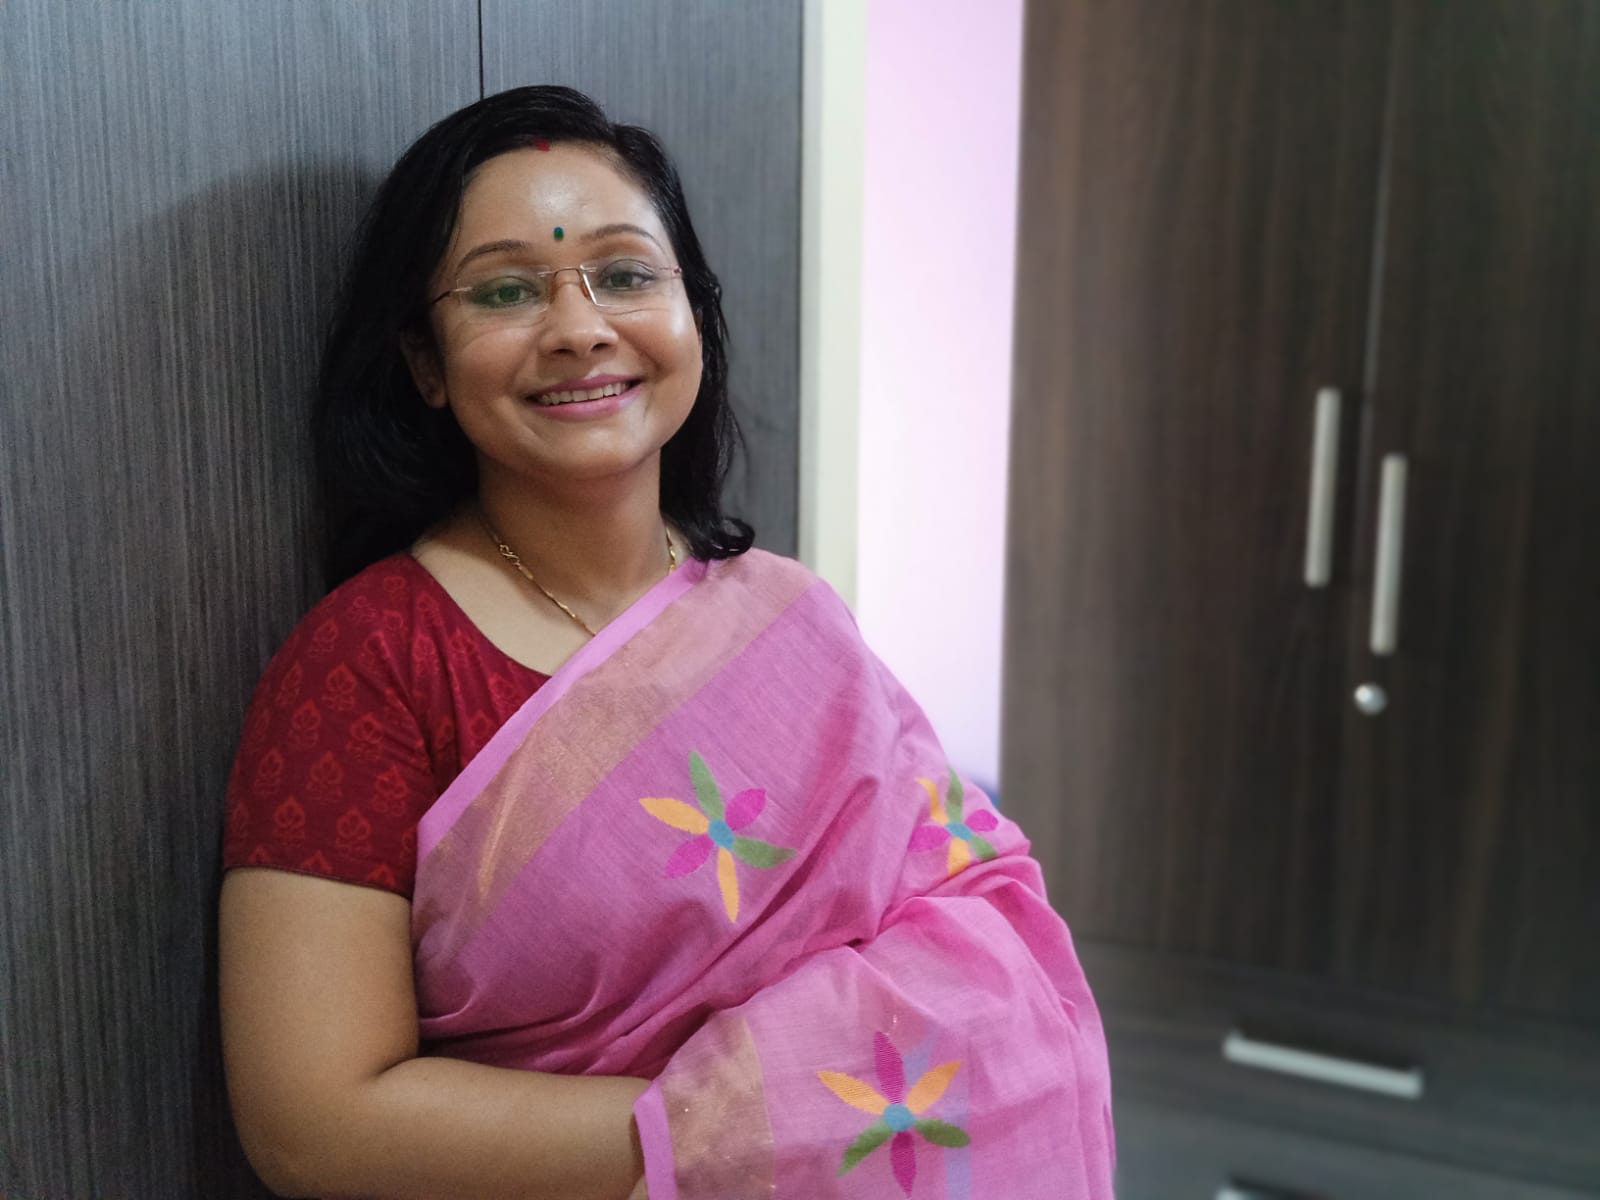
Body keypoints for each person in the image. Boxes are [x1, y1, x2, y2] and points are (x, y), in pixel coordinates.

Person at [219, 85, 1113, 1200]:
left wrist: (784, 1121)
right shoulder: (374, 664)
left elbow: (982, 919)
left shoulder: (789, 619)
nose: (580, 327)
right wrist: (752, 1129)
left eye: (627, 273)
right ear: (424, 363)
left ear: (694, 315)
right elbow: (316, 1124)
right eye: (506, 290)